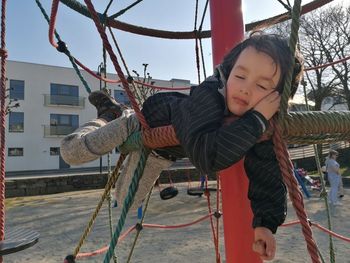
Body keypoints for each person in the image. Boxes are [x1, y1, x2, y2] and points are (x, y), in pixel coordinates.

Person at [61, 32, 303, 261]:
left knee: (126, 202)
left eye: (262, 86)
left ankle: (115, 114)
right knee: (72, 152)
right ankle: (108, 115)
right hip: (141, 123)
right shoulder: (211, 94)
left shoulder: (260, 124)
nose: (245, 88)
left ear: (276, 100)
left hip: (161, 152)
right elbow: (207, 157)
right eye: (240, 76)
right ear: (227, 74)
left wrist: (265, 225)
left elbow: (268, 172)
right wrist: (257, 119)